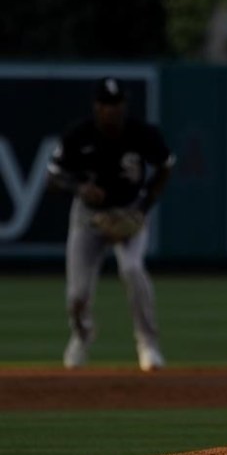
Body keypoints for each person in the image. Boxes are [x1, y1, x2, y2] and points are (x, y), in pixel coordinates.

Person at [47, 77, 175, 371]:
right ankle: (82, 335)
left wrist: (143, 208)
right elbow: (52, 178)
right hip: (89, 217)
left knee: (132, 269)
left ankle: (148, 344)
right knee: (77, 294)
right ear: (97, 106)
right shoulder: (79, 135)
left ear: (124, 106)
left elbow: (166, 166)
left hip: (129, 211)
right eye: (106, 105)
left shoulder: (141, 134)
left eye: (117, 105)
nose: (112, 111)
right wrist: (79, 187)